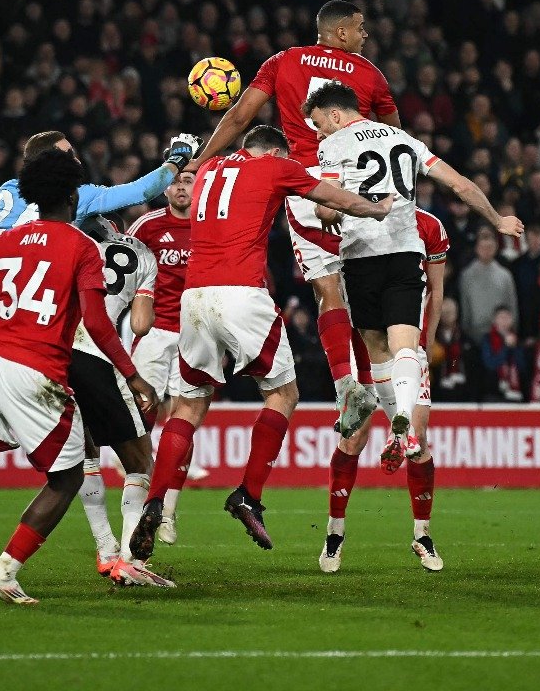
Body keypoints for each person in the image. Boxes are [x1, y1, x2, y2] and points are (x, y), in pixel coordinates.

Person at [0, 129, 198, 572]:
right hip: (41, 334)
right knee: (76, 472)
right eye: (70, 158)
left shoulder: (9, 194)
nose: (77, 162)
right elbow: (142, 192)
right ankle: (34, 567)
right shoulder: (85, 239)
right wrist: (175, 162)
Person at [128, 125, 391, 568]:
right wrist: (376, 209)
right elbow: (334, 197)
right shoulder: (273, 165)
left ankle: (156, 501)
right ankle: (248, 494)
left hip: (194, 298)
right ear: (273, 150)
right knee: (283, 393)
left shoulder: (208, 168)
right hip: (240, 293)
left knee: (189, 406)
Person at [193, 0, 400, 432]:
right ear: (340, 33)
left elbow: (239, 117)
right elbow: (394, 135)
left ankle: (347, 390)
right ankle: (388, 395)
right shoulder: (370, 75)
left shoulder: (283, 61)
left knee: (327, 290)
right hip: (358, 183)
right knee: (362, 289)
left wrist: (199, 160)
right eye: (360, 28)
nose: (365, 36)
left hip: (306, 183)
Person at [306, 80, 522, 455]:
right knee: (406, 345)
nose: (320, 132)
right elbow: (460, 185)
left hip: (362, 256)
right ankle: (406, 417)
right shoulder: (406, 140)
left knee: (377, 349)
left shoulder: (333, 145)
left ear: (335, 114)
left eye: (320, 123)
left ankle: (397, 423)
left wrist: (326, 211)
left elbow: (325, 207)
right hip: (406, 254)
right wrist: (497, 219)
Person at [318, 206, 451, 574]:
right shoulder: (348, 216)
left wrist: (428, 344)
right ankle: (334, 534)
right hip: (363, 351)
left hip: (409, 350)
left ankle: (422, 536)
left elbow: (435, 292)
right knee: (353, 441)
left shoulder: (428, 224)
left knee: (418, 441)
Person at [70, 216, 173, 588]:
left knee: (86, 455)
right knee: (140, 460)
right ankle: (129, 559)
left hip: (56, 353)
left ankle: (106, 550)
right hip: (99, 355)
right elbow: (142, 324)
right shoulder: (143, 255)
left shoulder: (72, 245)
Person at [126, 168, 203, 546]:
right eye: (175, 181)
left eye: (188, 181)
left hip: (198, 333)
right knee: (143, 413)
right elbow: (122, 273)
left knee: (183, 421)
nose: (181, 187)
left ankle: (167, 511)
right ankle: (141, 498)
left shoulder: (211, 223)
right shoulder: (146, 226)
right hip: (155, 332)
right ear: (165, 188)